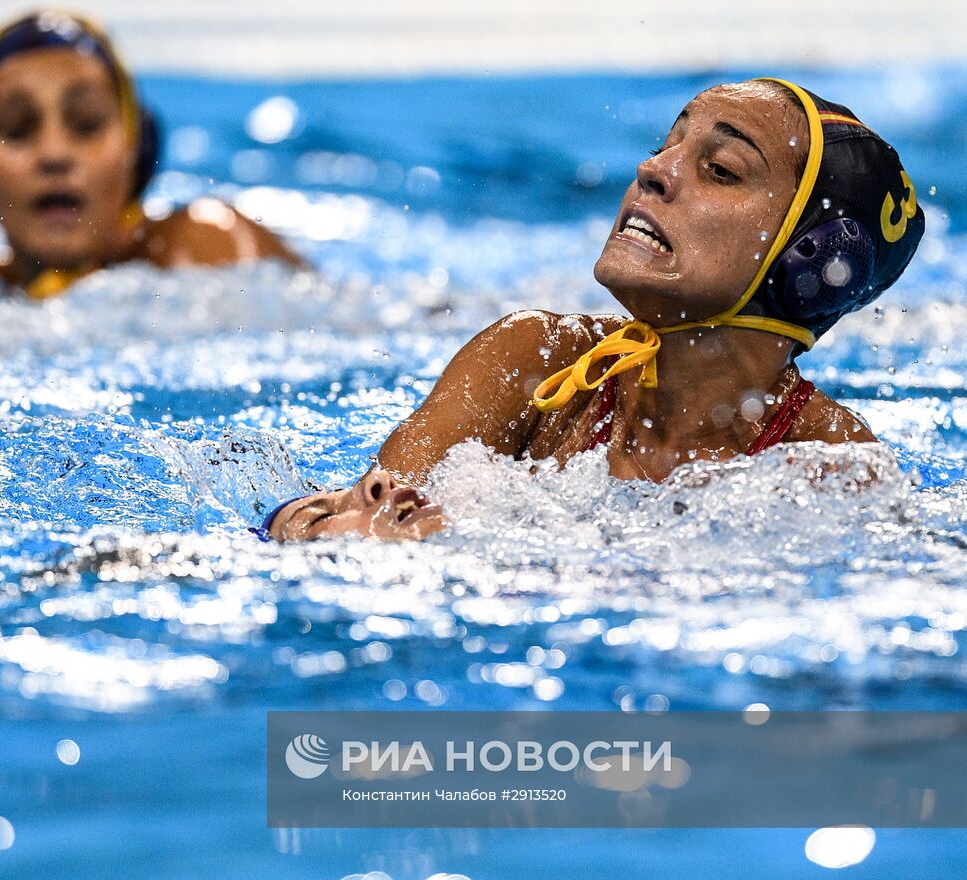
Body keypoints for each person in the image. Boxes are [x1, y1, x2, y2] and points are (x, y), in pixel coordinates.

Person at [265, 78, 923, 542]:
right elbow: (367, 517)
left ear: (809, 260)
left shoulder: (827, 461)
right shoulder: (535, 360)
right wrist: (302, 523)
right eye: (668, 144)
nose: (652, 169)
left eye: (720, 169)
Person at [0, 11, 298, 298]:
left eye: (87, 125)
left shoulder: (204, 245)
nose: (54, 153)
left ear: (137, 148)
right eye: (17, 130)